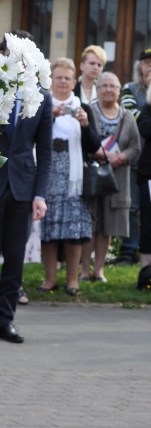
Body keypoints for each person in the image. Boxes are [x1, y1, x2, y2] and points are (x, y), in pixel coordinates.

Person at [0, 64, 53, 343]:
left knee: (15, 259)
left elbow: (46, 152)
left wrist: (40, 195)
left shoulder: (42, 97)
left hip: (23, 190)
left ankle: (6, 320)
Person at [39, 58, 100, 295]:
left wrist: (85, 125)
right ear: (51, 80)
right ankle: (50, 279)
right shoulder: (42, 105)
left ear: (73, 82)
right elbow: (32, 136)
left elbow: (95, 146)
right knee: (49, 229)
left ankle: (72, 281)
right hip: (47, 172)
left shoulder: (83, 106)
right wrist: (51, 116)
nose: (63, 82)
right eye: (58, 78)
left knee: (73, 231)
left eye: (67, 78)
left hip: (75, 178)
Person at [84, 72, 140, 283]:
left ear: (119, 90)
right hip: (93, 175)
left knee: (106, 228)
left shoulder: (127, 116)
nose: (108, 89)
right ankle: (84, 272)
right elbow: (83, 139)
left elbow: (135, 146)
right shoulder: (89, 112)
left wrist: (121, 157)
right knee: (90, 224)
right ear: (97, 90)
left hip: (117, 179)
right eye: (104, 86)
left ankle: (99, 271)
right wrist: (103, 155)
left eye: (113, 86)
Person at [118, 47, 151, 263]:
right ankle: (128, 253)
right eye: (146, 62)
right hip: (134, 158)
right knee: (132, 206)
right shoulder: (129, 89)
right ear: (140, 66)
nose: (150, 66)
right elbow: (135, 118)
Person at [135, 82, 151, 289]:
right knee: (148, 223)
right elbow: (145, 128)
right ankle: (147, 271)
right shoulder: (147, 109)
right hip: (149, 175)